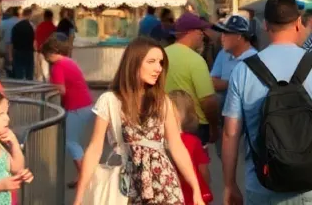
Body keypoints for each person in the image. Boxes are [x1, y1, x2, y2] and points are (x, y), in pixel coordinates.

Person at [222, 0, 312, 205]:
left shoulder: (243, 70)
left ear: (265, 25)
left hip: (262, 184)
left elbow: (230, 133)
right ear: (299, 22)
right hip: (311, 183)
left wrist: (229, 184)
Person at [73, 38, 206, 205]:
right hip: (125, 185)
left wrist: (196, 190)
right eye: (151, 62)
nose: (158, 68)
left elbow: (177, 146)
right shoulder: (110, 100)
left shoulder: (163, 101)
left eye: (160, 63)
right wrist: (79, 197)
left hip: (164, 184)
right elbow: (94, 148)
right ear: (134, 63)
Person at [41, 35, 94, 187]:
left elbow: (61, 90)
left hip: (76, 106)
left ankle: (86, 177)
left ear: (50, 53)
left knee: (71, 142)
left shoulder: (58, 66)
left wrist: (50, 88)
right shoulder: (68, 61)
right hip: (84, 104)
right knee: (75, 142)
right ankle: (83, 176)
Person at [164, 13, 219, 145]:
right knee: (196, 164)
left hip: (166, 121)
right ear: (191, 32)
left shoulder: (162, 54)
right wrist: (214, 127)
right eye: (200, 31)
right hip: (196, 126)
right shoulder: (196, 61)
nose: (203, 35)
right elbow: (207, 101)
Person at [170, 90, 214, 205]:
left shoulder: (164, 142)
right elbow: (203, 170)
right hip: (193, 196)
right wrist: (206, 186)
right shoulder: (194, 142)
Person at [210, 14, 257, 107]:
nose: (222, 37)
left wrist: (225, 84)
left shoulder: (255, 58)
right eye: (222, 33)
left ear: (239, 36)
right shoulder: (223, 53)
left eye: (226, 33)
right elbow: (211, 83)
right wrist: (236, 84)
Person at [10, 8, 36, 81]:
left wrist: (10, 55)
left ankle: (19, 88)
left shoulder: (16, 26)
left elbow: (12, 42)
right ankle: (29, 89)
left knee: (19, 72)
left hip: (18, 51)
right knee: (29, 73)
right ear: (29, 15)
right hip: (29, 51)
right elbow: (34, 40)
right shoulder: (31, 26)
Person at [0, 7, 20, 74]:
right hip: (18, 46)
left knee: (7, 64)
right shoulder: (21, 22)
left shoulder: (3, 23)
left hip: (5, 45)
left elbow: (0, 35)